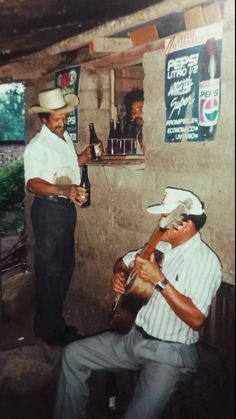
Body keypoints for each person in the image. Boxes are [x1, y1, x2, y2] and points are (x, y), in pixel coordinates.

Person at [53, 186, 222, 419]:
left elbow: (196, 320)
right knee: (73, 355)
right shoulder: (159, 246)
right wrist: (119, 274)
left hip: (170, 355)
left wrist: (159, 281)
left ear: (185, 224)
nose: (159, 223)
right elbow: (123, 261)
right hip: (133, 338)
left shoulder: (205, 262)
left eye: (165, 217)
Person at [24, 87, 91, 346]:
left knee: (64, 268)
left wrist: (83, 158)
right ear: (44, 119)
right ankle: (47, 329)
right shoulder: (37, 146)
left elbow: (67, 165)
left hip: (64, 210)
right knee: (50, 271)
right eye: (56, 120)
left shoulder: (63, 139)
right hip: (48, 211)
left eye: (64, 118)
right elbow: (33, 183)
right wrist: (65, 189)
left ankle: (54, 323)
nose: (62, 123)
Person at [124, 88, 145, 153]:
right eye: (133, 112)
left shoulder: (158, 139)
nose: (136, 115)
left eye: (141, 110)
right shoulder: (132, 138)